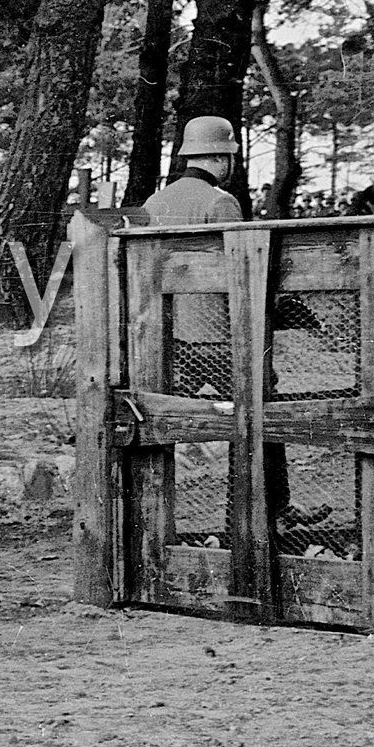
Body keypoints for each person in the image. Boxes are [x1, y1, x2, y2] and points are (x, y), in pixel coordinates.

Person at [140, 116, 326, 534]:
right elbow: (240, 274)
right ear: (223, 158)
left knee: (160, 422)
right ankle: (269, 513)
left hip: (172, 337)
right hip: (219, 338)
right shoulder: (220, 202)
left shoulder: (155, 203)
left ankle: (155, 524)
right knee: (262, 413)